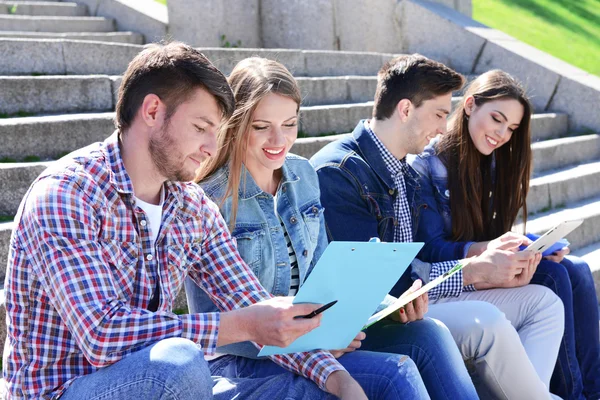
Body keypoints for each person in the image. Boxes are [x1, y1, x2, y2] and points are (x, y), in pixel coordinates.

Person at [3, 41, 370, 400]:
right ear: (152, 112)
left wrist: (337, 379)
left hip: (160, 380)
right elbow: (103, 335)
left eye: (218, 131)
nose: (212, 147)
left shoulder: (189, 205)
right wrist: (243, 324)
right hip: (64, 389)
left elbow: (251, 301)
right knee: (179, 365)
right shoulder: (68, 194)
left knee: (337, 389)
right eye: (200, 128)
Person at [184, 56, 479, 400]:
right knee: (394, 373)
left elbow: (326, 278)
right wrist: (317, 343)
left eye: (290, 123)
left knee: (427, 333)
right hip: (246, 359)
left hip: (317, 336)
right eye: (262, 126)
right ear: (236, 124)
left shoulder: (302, 176)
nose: (279, 139)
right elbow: (224, 319)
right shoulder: (210, 200)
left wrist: (387, 304)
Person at [310, 54, 566, 399]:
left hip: (417, 299)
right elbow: (377, 291)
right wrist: (472, 272)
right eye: (440, 114)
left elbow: (418, 258)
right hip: (375, 321)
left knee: (545, 304)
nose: (445, 127)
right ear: (405, 109)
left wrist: (479, 265)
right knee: (486, 323)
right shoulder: (340, 172)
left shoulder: (405, 171)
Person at [408, 69, 600, 400]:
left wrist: (531, 245)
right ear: (469, 105)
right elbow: (431, 251)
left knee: (578, 270)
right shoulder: (425, 168)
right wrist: (486, 248)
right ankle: (572, 395)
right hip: (452, 279)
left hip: (486, 267)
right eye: (497, 119)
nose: (502, 134)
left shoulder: (490, 164)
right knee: (554, 276)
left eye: (511, 128)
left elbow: (493, 235)